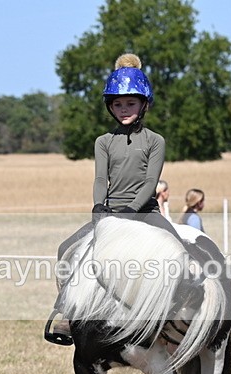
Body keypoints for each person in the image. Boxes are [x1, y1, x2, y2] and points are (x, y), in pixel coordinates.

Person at [56, 53, 185, 260]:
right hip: (110, 213)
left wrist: (131, 210)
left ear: (144, 104)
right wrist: (98, 206)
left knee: (181, 252)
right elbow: (100, 178)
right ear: (110, 107)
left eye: (131, 103)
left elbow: (151, 182)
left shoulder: (155, 141)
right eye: (118, 104)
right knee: (65, 250)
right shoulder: (103, 141)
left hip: (146, 213)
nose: (124, 109)